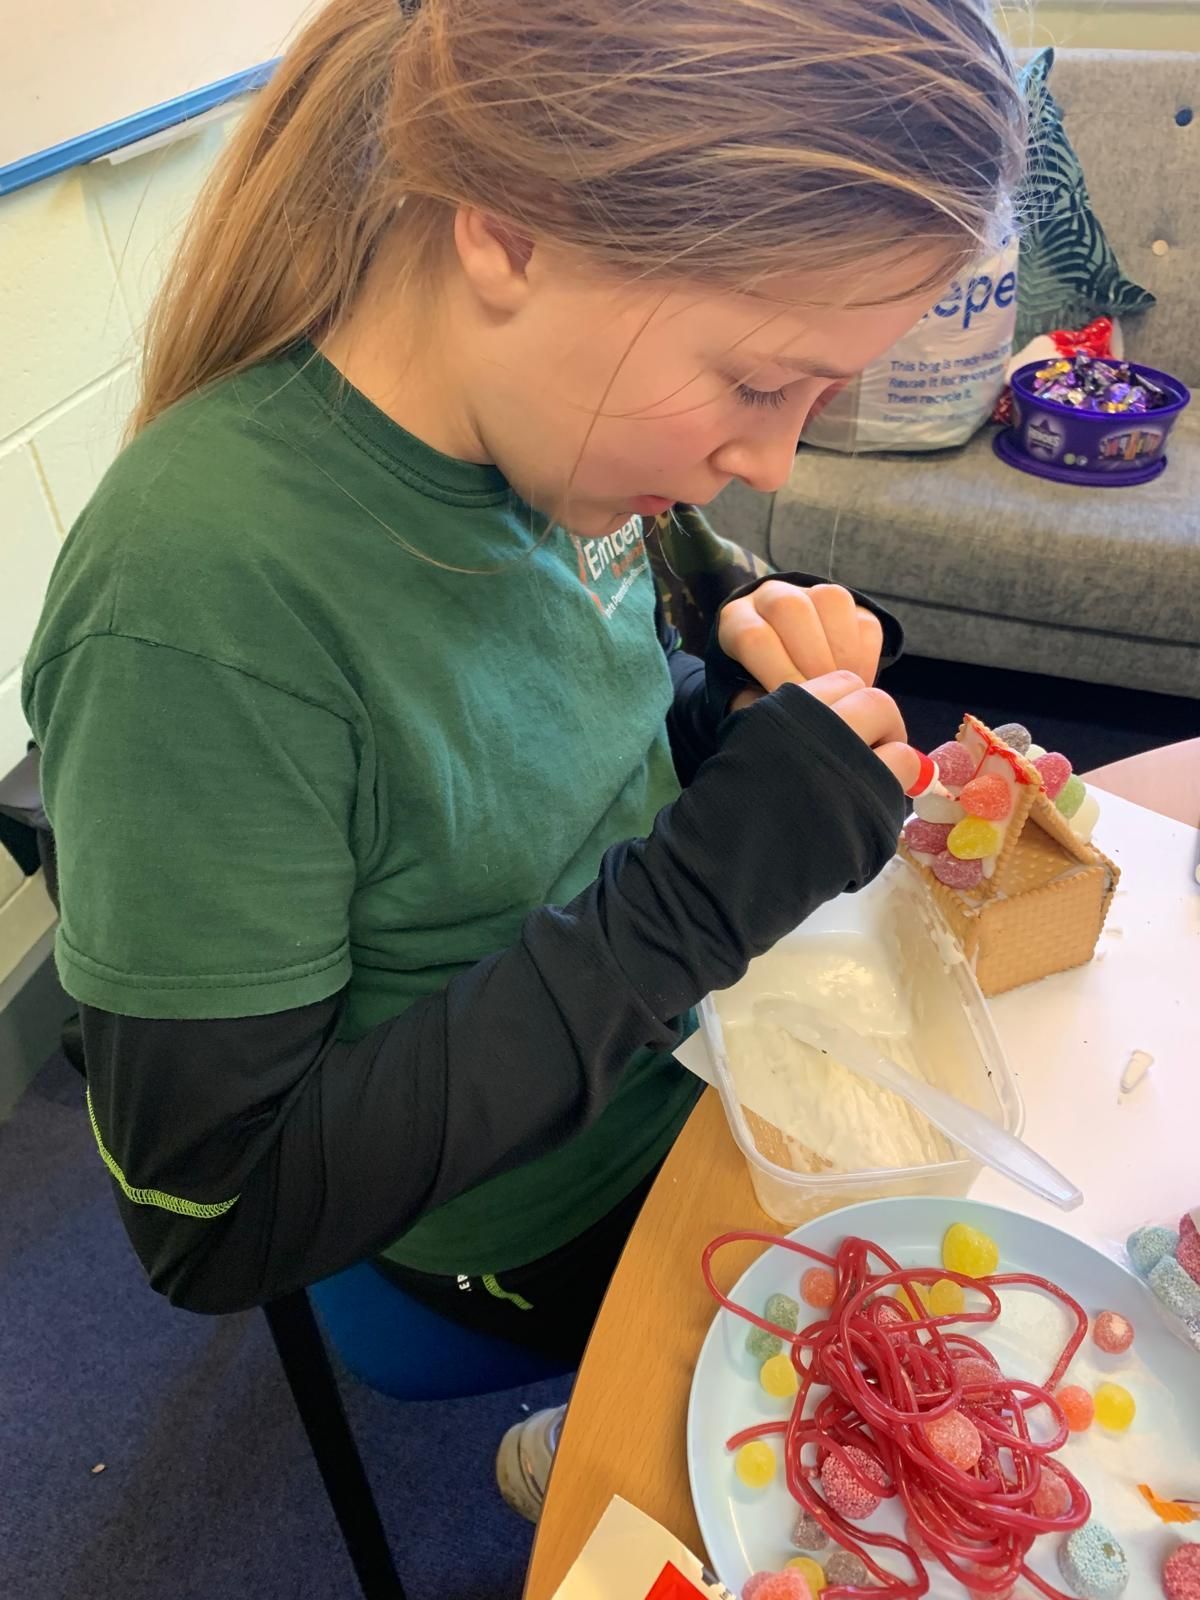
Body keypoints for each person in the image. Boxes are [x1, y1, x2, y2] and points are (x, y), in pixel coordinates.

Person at [23, 0, 1023, 1521]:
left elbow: (621, 608)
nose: (776, 457)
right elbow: (210, 1218)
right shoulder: (201, 607)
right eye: (761, 385)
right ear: (509, 234)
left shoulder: (552, 429)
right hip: (509, 1211)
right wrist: (701, 889)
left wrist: (739, 638)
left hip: (691, 1058)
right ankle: (602, 1426)